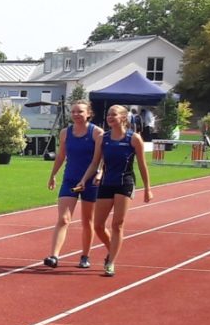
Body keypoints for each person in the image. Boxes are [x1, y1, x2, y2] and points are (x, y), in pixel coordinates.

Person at [78, 104, 152, 278]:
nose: (110, 117)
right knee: (98, 225)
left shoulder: (134, 138)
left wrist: (147, 188)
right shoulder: (103, 138)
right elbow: (95, 163)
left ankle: (110, 262)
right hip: (106, 183)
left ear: (123, 118)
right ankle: (113, 249)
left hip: (124, 183)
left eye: (114, 114)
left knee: (117, 224)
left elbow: (142, 165)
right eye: (108, 115)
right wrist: (84, 179)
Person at [43, 100, 102, 268]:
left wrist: (97, 174)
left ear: (88, 113)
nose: (76, 114)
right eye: (73, 111)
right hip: (70, 179)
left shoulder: (97, 133)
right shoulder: (65, 133)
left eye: (80, 111)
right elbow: (61, 156)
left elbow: (100, 159)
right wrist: (53, 175)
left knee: (87, 220)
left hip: (90, 182)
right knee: (63, 218)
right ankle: (54, 256)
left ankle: (85, 256)